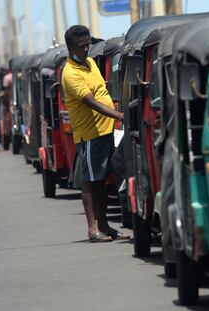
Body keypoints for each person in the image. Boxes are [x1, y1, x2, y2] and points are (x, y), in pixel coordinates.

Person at [62, 25, 129, 242]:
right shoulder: (70, 73)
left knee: (101, 181)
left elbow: (101, 92)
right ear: (70, 47)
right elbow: (91, 102)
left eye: (88, 44)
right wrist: (119, 116)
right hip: (89, 134)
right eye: (81, 47)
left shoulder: (90, 63)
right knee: (90, 181)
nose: (86, 49)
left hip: (105, 130)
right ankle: (92, 229)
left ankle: (105, 225)